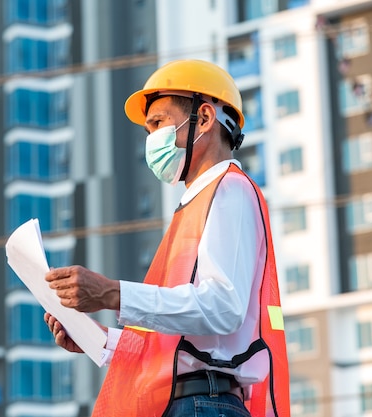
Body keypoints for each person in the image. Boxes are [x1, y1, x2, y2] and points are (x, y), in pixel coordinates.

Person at [44, 60, 290, 417]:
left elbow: (223, 309)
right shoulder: (197, 204)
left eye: (158, 123)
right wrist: (94, 339)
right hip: (194, 402)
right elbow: (180, 348)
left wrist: (112, 293)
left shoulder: (229, 189)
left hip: (205, 404)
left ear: (204, 119)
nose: (151, 139)